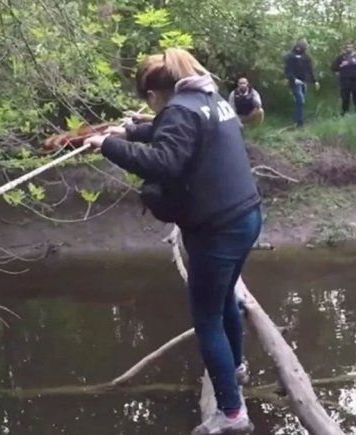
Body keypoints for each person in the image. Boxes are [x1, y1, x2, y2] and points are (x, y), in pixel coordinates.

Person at [84, 48, 261, 435]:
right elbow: (176, 133)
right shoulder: (208, 99)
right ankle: (236, 368)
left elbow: (164, 161)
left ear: (152, 95)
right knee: (226, 296)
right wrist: (129, 131)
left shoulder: (180, 109)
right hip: (246, 216)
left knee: (207, 318)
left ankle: (232, 415)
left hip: (217, 229)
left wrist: (108, 146)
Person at [283, 41, 319, 127]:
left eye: (301, 46)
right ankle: (300, 122)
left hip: (304, 81)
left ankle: (297, 118)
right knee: (300, 100)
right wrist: (294, 79)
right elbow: (287, 71)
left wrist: (315, 81)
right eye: (297, 46)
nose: (298, 48)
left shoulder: (306, 58)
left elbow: (310, 70)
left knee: (300, 101)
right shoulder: (290, 57)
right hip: (295, 82)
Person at [330, 42, 356, 115]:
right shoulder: (341, 57)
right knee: (345, 97)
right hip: (345, 80)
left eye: (350, 47)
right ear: (345, 48)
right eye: (347, 47)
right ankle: (345, 112)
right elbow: (333, 68)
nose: (349, 49)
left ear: (353, 48)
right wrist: (341, 65)